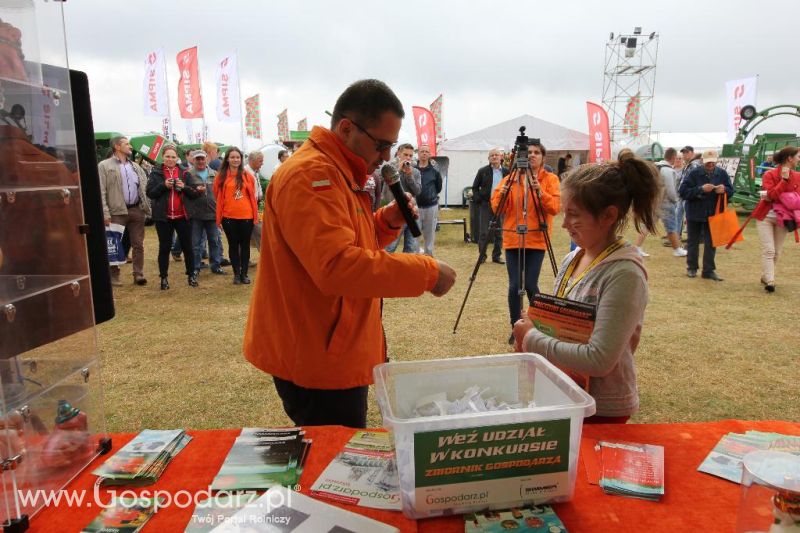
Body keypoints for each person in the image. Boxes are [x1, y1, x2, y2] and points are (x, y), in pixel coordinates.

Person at [242, 79, 457, 428]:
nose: (386, 157)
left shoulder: (337, 170)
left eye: (391, 146)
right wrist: (427, 272)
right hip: (318, 355)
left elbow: (349, 239)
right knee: (332, 453)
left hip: (331, 347)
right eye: (381, 144)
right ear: (346, 128)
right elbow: (336, 265)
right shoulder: (313, 175)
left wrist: (387, 221)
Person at [512, 151, 661, 424]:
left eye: (574, 215)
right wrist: (536, 323)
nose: (564, 224)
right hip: (567, 394)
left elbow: (599, 359)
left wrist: (531, 338)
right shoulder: (573, 258)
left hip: (600, 409)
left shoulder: (625, 275)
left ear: (608, 215)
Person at [492, 142, 560, 343]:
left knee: (530, 284)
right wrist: (503, 192)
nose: (532, 155)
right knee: (514, 286)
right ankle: (516, 328)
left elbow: (555, 207)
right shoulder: (510, 179)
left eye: (536, 152)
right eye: (528, 152)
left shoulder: (550, 179)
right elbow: (497, 208)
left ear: (543, 157)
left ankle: (539, 325)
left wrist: (540, 192)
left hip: (536, 239)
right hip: (513, 238)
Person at [98, 136, 151, 286]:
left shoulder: (135, 166)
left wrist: (145, 207)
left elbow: (144, 188)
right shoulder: (104, 166)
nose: (130, 146)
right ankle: (114, 275)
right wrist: (105, 212)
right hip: (116, 211)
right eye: (127, 144)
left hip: (136, 210)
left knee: (138, 244)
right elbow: (101, 191)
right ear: (117, 146)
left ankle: (138, 274)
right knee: (114, 244)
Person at [145, 145, 199, 289]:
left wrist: (184, 187)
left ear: (177, 158)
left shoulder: (185, 172)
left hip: (183, 216)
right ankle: (163, 278)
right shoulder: (156, 172)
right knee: (164, 247)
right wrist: (163, 185)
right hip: (164, 217)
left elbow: (194, 193)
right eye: (167, 156)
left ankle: (191, 275)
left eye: (173, 157)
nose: (170, 159)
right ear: (163, 157)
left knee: (188, 247)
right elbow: (150, 193)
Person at [678, 149, 734, 281]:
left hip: (713, 213)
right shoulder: (693, 173)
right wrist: (700, 189)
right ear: (702, 161)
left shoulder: (722, 173)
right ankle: (692, 268)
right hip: (695, 212)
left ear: (717, 161)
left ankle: (708, 270)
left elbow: (731, 191)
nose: (711, 164)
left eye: (713, 162)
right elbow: (683, 192)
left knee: (711, 243)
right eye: (708, 162)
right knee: (693, 241)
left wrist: (724, 190)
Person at [755, 146, 800, 292]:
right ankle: (771, 281)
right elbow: (772, 195)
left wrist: (779, 195)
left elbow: (796, 199)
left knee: (777, 251)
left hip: (784, 218)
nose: (799, 160)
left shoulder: (798, 176)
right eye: (798, 157)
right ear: (790, 158)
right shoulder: (769, 174)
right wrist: (784, 180)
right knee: (769, 250)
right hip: (765, 216)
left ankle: (766, 276)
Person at [214, 147, 259, 285]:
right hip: (228, 217)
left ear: (241, 159)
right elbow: (216, 194)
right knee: (233, 245)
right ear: (227, 159)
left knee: (245, 245)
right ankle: (236, 275)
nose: (235, 160)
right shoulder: (221, 177)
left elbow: (253, 194)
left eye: (238, 157)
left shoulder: (248, 176)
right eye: (232, 157)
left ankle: (244, 274)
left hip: (246, 216)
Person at [183, 150, 226, 275]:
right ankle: (195, 267)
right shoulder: (188, 174)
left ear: (206, 159)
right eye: (198, 159)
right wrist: (194, 190)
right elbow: (184, 192)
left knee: (214, 241)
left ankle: (215, 265)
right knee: (196, 244)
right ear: (193, 160)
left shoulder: (214, 174)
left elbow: (221, 193)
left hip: (212, 213)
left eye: (202, 158)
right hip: (196, 214)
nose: (200, 161)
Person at [472, 148, 509, 264]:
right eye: (492, 155)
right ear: (488, 158)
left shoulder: (507, 172)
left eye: (496, 155)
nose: (494, 157)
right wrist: (479, 199)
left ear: (501, 157)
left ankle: (496, 256)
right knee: (484, 232)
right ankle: (482, 256)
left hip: (500, 205)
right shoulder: (482, 171)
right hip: (486, 205)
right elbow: (475, 187)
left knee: (499, 232)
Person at [385, 143, 421, 253]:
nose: (408, 158)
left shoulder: (415, 172)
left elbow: (417, 191)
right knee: (390, 247)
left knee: (411, 249)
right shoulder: (390, 170)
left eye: (410, 155)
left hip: (411, 213)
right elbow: (387, 191)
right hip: (396, 213)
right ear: (399, 154)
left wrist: (410, 176)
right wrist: (399, 171)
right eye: (406, 154)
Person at [655, 148, 687, 257]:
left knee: (647, 225)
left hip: (656, 201)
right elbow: (671, 190)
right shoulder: (668, 170)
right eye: (677, 158)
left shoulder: (657, 167)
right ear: (673, 157)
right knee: (672, 227)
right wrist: (675, 200)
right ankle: (677, 249)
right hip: (666, 202)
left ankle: (637, 247)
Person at [415, 144, 442, 256]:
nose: (424, 154)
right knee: (414, 234)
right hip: (415, 207)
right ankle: (415, 256)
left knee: (429, 233)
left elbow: (438, 187)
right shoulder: (412, 169)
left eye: (426, 152)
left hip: (431, 206)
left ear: (430, 154)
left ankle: (428, 255)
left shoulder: (434, 170)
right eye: (422, 151)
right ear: (418, 153)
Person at [677, 146, 702, 240]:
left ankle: (692, 237)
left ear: (692, 153)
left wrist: (691, 193)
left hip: (688, 195)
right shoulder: (689, 164)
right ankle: (677, 236)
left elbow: (695, 181)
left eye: (687, 152)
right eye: (683, 152)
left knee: (689, 217)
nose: (684, 154)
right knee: (679, 215)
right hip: (683, 194)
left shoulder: (694, 165)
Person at [245, 150, 266, 253]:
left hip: (255, 206)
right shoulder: (245, 173)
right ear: (252, 161)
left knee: (257, 234)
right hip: (248, 208)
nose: (262, 163)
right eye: (260, 161)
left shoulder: (255, 172)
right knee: (258, 233)